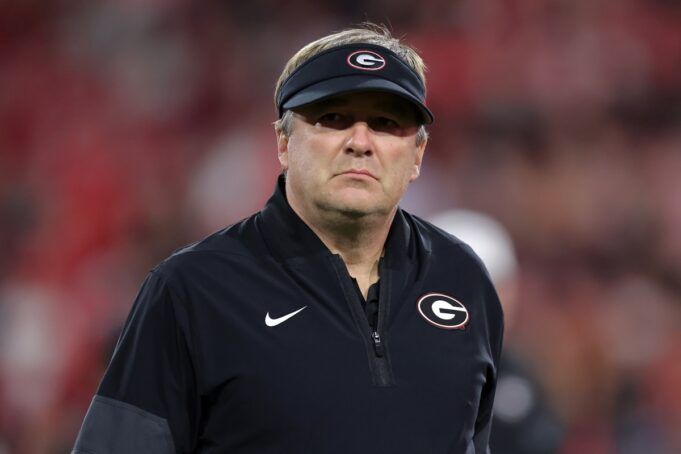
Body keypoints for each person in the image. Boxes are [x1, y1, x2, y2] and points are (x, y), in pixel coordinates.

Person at [72, 23, 504, 454]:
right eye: (332, 119)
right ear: (283, 142)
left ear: (418, 155)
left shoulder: (461, 278)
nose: (360, 142)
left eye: (385, 123)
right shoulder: (193, 290)